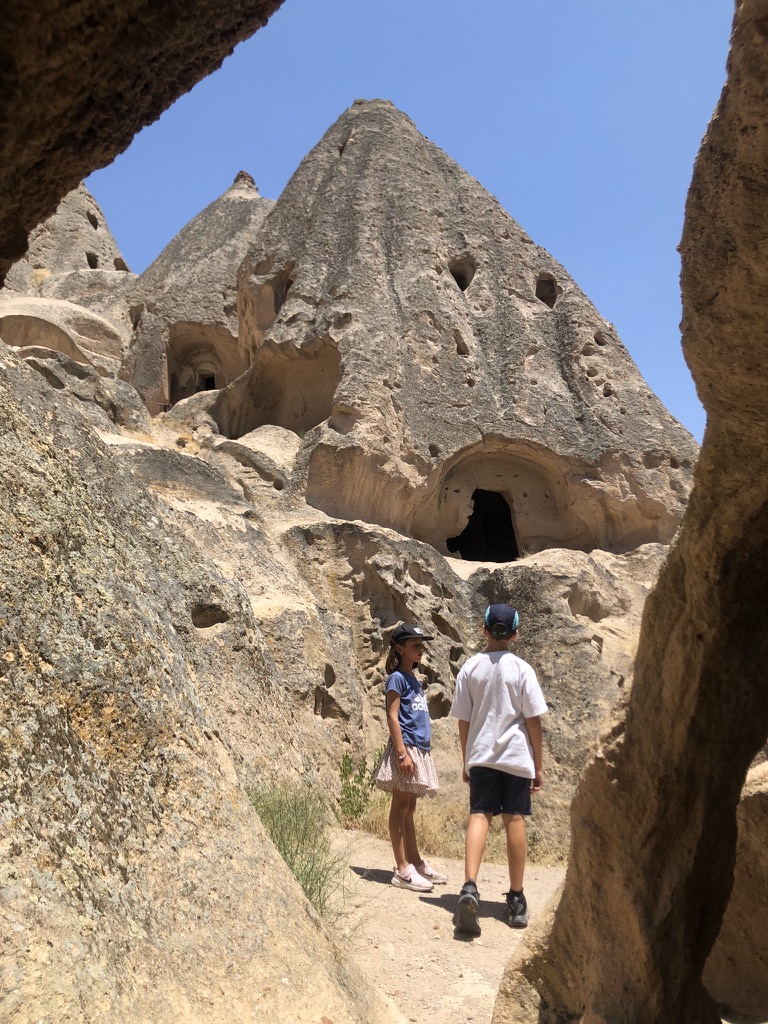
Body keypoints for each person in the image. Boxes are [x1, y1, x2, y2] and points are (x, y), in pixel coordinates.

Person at [450, 604, 547, 934]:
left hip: (481, 756)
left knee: (480, 815)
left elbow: (464, 720)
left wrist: (467, 758)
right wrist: (538, 765)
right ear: (515, 634)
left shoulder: (470, 668)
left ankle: (469, 887)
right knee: (514, 818)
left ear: (484, 630)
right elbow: (533, 721)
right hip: (516, 757)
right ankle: (516, 898)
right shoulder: (522, 669)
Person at [373, 623, 447, 892]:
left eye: (421, 645)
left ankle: (415, 862)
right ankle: (402, 869)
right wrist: (402, 753)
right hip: (406, 749)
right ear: (400, 649)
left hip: (418, 748)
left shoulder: (413, 679)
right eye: (415, 645)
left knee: (410, 806)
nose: (421, 649)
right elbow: (392, 717)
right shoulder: (397, 679)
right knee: (401, 805)